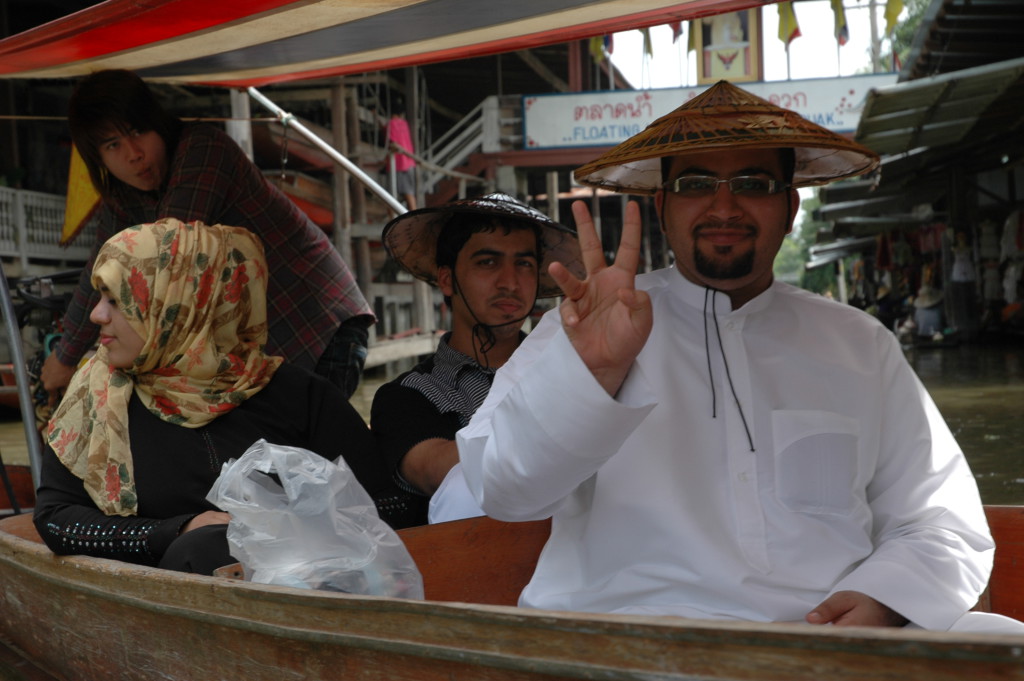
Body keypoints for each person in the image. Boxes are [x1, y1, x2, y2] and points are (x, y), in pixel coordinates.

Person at [458, 81, 1024, 633]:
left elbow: (939, 518)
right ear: (662, 207)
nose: (723, 206)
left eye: (752, 183)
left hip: (821, 640)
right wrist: (594, 372)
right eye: (696, 183)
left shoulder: (859, 342)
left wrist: (883, 598)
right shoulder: (583, 327)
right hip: (622, 638)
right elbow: (505, 493)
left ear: (790, 205)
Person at [33, 219, 394, 574]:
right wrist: (177, 531)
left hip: (306, 588)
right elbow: (56, 519)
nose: (96, 314)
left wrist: (292, 532)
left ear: (188, 304)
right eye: (100, 298)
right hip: (164, 607)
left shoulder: (300, 395)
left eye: (116, 300)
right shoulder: (94, 395)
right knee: (203, 549)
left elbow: (390, 502)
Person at [41, 69, 374, 402]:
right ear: (98, 158)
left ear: (158, 123)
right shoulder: (123, 196)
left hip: (318, 324)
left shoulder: (201, 150)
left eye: (138, 131)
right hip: (262, 351)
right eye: (113, 145)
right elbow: (98, 274)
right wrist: (65, 355)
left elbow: (164, 258)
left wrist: (72, 355)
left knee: (304, 451)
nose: (133, 153)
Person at [371, 193, 582, 527]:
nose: (510, 282)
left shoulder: (568, 371)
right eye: (488, 262)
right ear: (447, 279)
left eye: (524, 264)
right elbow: (440, 471)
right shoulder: (406, 396)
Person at [385, 100, 417, 210]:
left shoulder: (391, 123)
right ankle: (415, 218)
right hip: (409, 162)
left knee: (390, 196)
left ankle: (392, 221)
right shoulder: (404, 124)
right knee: (409, 193)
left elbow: (392, 142)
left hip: (398, 164)